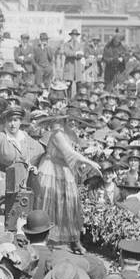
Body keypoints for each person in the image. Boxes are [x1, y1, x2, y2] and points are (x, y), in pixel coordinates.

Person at [29, 101, 103, 249]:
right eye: (71, 120)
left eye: (76, 121)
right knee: (49, 202)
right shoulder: (58, 134)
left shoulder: (73, 134)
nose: (73, 123)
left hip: (65, 170)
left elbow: (75, 152)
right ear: (64, 119)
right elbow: (69, 152)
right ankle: (45, 238)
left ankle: (73, 239)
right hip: (51, 168)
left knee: (70, 203)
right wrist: (90, 162)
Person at [0, 103, 45, 234]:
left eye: (15, 121)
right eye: (9, 121)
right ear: (5, 122)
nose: (12, 124)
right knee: (5, 211)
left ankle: (18, 237)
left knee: (21, 208)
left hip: (22, 179)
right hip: (4, 179)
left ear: (20, 122)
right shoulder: (1, 136)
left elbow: (38, 151)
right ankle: (4, 236)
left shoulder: (24, 136)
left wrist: (32, 167)